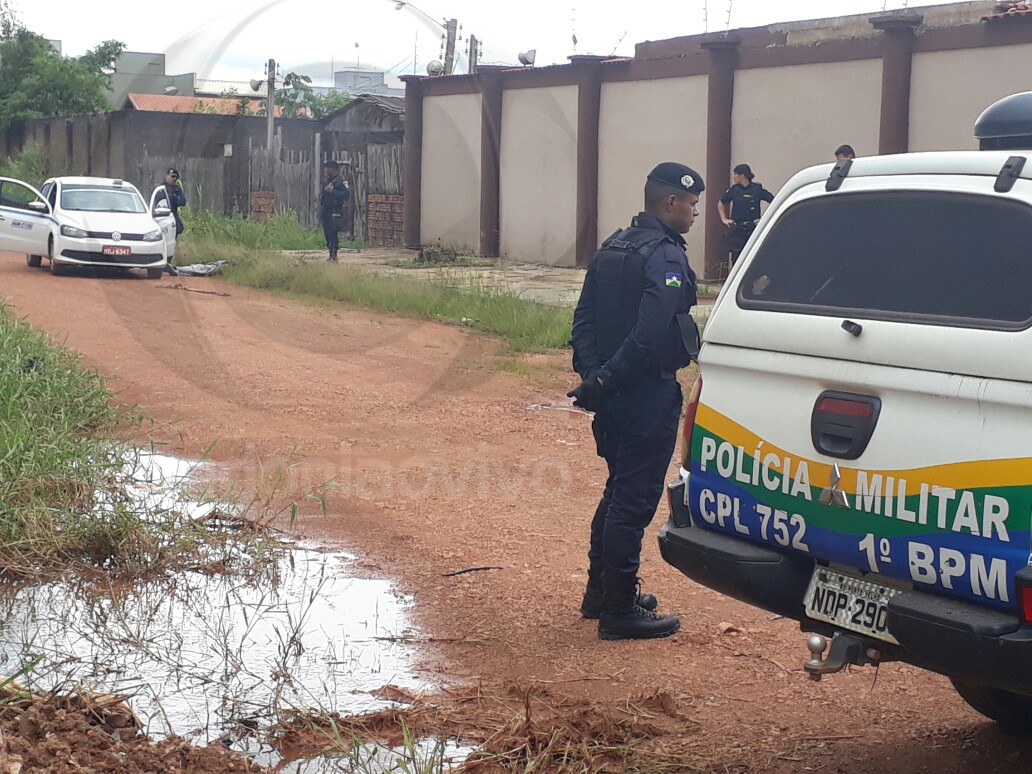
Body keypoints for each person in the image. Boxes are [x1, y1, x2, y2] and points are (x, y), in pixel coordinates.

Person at [568, 162, 704, 641]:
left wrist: (594, 377)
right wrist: (606, 377)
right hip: (645, 393)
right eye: (691, 205)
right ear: (670, 202)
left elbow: (583, 319)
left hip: (611, 396)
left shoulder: (613, 246)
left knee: (615, 492)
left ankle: (600, 593)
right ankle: (619, 610)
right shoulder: (664, 255)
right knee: (631, 502)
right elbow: (650, 333)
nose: (694, 214)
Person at [717, 163, 774, 268]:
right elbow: (721, 202)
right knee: (736, 258)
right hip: (737, 228)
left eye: (735, 174)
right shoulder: (734, 190)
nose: (733, 177)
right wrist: (724, 219)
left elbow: (774, 201)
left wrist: (765, 219)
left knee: (753, 256)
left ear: (742, 175)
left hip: (752, 228)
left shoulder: (757, 189)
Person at [155, 168, 187, 276]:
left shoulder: (177, 189)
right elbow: (156, 201)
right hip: (159, 216)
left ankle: (168, 262)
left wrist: (173, 195)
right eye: (172, 176)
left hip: (172, 216)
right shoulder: (160, 188)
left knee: (172, 240)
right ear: (166, 176)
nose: (173, 179)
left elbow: (182, 201)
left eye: (175, 177)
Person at [320, 160, 351, 262]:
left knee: (333, 233)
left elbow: (346, 194)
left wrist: (333, 191)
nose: (325, 170)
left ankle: (334, 255)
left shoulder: (341, 182)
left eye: (327, 168)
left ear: (333, 169)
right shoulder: (325, 181)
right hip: (326, 212)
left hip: (335, 211)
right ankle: (330, 254)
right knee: (327, 234)